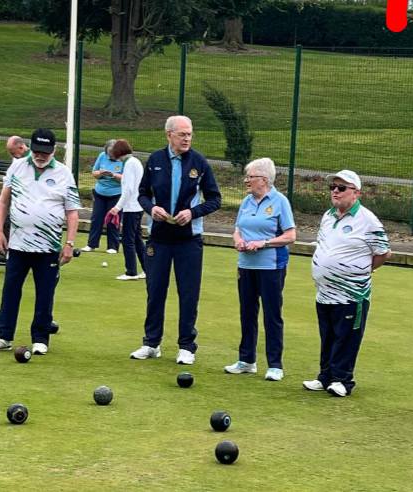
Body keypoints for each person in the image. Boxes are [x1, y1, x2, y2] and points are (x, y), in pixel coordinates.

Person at [129, 115, 222, 365]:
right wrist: (152, 209)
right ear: (169, 134)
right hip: (159, 239)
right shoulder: (156, 160)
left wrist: (192, 213)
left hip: (188, 240)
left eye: (190, 134)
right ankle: (151, 343)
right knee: (155, 291)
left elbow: (215, 199)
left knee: (188, 293)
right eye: (182, 134)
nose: (187, 138)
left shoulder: (199, 162)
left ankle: (186, 346)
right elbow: (142, 194)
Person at [0, 128, 80, 355]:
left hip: (49, 247)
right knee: (10, 290)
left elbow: (72, 213)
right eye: (36, 151)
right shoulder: (18, 167)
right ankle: (3, 335)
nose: (40, 156)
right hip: (17, 244)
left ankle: (40, 337)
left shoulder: (64, 173)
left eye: (45, 152)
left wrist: (70, 244)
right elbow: (3, 202)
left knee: (45, 293)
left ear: (53, 150)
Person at [305, 170, 391, 397]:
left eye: (341, 188)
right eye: (333, 187)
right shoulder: (328, 216)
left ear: (356, 193)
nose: (335, 191)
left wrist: (361, 270)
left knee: (346, 337)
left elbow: (383, 253)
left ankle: (343, 379)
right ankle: (325, 377)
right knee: (328, 336)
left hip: (352, 294)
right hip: (324, 292)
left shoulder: (368, 221)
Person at [224, 158, 296, 381]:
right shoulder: (246, 201)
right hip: (246, 265)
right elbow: (238, 229)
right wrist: (238, 240)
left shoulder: (280, 201)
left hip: (271, 266)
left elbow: (291, 235)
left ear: (264, 180)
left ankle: (275, 364)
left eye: (250, 177)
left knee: (272, 314)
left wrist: (263, 243)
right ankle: (247, 360)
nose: (246, 180)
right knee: (247, 312)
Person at [107, 139, 147, 281]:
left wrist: (117, 207)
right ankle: (147, 269)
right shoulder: (134, 162)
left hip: (132, 207)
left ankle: (131, 271)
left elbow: (129, 189)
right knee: (136, 239)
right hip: (137, 206)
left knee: (128, 240)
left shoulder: (130, 164)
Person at [0, 136, 31, 266]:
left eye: (13, 152)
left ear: (21, 147)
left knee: (11, 223)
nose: (12, 155)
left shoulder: (30, 159)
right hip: (13, 196)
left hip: (25, 201)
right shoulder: (18, 158)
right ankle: (7, 253)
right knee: (6, 222)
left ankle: (10, 254)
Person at [81, 139, 123, 254]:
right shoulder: (102, 156)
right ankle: (91, 245)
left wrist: (114, 175)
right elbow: (94, 173)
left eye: (113, 154)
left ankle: (113, 247)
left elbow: (126, 179)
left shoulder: (124, 160)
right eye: (109, 154)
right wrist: (100, 173)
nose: (111, 156)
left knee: (113, 220)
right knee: (96, 219)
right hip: (100, 193)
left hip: (116, 194)